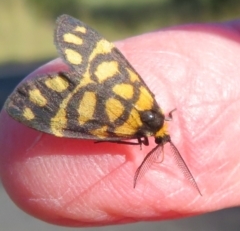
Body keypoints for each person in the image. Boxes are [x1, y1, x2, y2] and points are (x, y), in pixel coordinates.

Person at [0, 20, 240, 226]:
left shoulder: (151, 104)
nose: (161, 134)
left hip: (116, 87)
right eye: (160, 135)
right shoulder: (135, 130)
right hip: (95, 111)